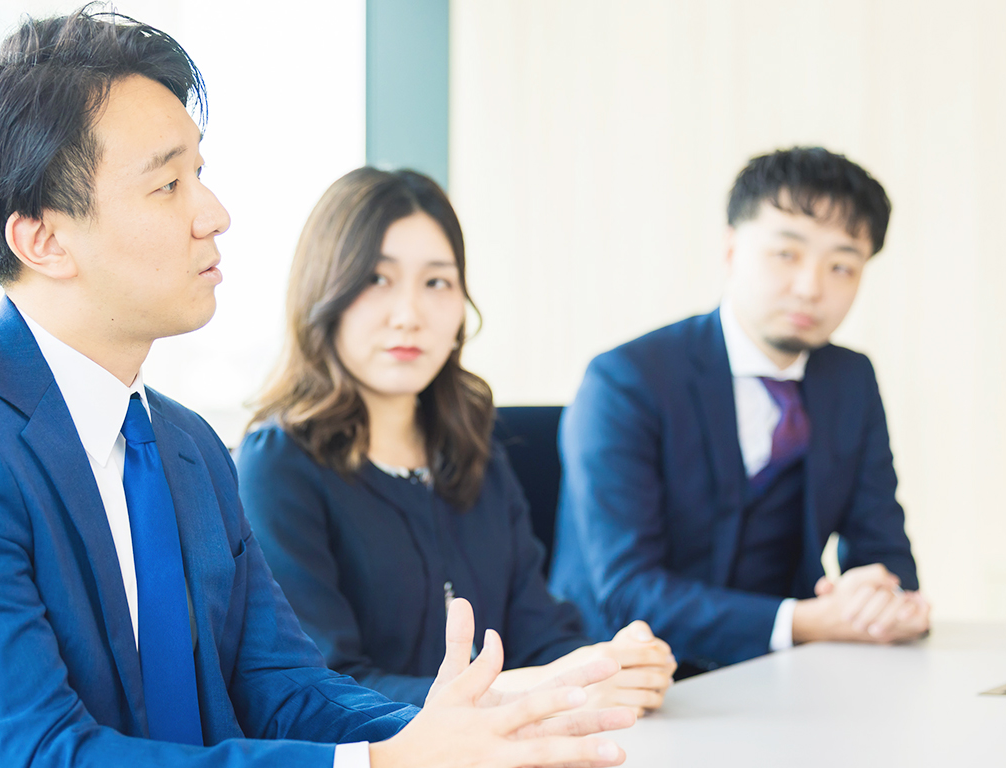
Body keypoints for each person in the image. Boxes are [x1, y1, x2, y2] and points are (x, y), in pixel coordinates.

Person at [0, 9, 636, 768]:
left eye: (199, 173)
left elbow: (286, 691)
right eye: (168, 185)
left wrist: (461, 733)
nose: (214, 213)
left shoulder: (184, 445)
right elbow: (38, 757)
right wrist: (389, 763)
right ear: (43, 238)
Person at [236, 167, 676, 714]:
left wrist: (611, 664)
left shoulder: (474, 448)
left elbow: (541, 636)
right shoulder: (278, 466)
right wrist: (535, 686)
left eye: (437, 283)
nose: (409, 316)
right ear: (324, 294)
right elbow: (324, 688)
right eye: (377, 279)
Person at [549, 147, 932, 674]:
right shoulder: (626, 380)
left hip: (780, 677)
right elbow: (627, 592)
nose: (810, 287)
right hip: (625, 679)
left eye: (842, 265)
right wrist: (808, 620)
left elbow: (886, 552)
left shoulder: (850, 380)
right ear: (731, 249)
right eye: (786, 254)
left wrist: (884, 598)